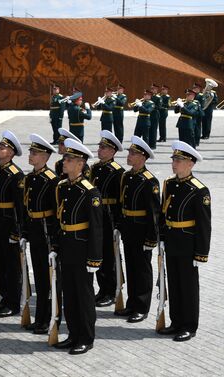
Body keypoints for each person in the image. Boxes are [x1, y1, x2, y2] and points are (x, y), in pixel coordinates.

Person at [53, 138, 102, 355]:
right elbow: (59, 219)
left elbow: (96, 228)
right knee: (69, 293)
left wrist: (94, 258)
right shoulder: (63, 187)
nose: (64, 161)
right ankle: (73, 334)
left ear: (80, 163)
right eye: (65, 158)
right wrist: (55, 245)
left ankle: (86, 337)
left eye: (69, 159)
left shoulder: (90, 192)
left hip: (82, 248)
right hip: (66, 246)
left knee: (83, 295)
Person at [158, 141, 210, 342]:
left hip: (188, 244)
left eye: (179, 160)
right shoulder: (170, 184)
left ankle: (189, 325)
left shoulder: (199, 190)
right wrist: (162, 238)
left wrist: (201, 253)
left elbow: (204, 225)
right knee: (174, 283)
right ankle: (176, 321)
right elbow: (164, 214)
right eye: (174, 159)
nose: (174, 163)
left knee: (188, 286)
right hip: (172, 241)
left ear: (190, 163)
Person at [115, 136, 160, 323]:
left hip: (142, 230)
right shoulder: (127, 176)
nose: (129, 156)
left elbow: (154, 213)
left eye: (133, 153)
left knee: (142, 269)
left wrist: (152, 238)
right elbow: (121, 203)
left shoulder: (149, 181)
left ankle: (142, 307)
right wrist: (119, 225)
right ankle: (132, 303)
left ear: (142, 157)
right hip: (129, 229)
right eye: (129, 152)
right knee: (131, 267)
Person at [21, 134, 59, 334]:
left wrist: (54, 240)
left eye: (34, 153)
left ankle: (49, 318)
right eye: (31, 152)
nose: (30, 155)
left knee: (47, 279)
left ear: (45, 156)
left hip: (46, 232)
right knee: (38, 276)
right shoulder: (31, 178)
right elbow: (26, 208)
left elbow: (56, 213)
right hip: (35, 230)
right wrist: (25, 232)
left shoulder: (52, 180)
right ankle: (40, 317)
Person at [0, 131, 25, 318]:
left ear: (11, 153)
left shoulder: (16, 175)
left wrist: (17, 231)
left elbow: (20, 206)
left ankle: (13, 302)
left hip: (10, 223)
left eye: (2, 148)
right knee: (0, 262)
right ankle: (4, 297)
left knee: (12, 266)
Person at [90, 130, 125, 307]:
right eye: (99, 147)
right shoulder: (95, 168)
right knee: (98, 254)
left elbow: (121, 199)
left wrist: (118, 222)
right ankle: (102, 289)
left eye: (103, 148)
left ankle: (111, 291)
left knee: (110, 257)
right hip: (97, 217)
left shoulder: (118, 172)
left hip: (109, 216)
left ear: (112, 151)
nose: (100, 150)